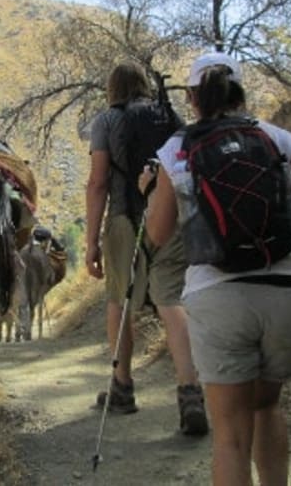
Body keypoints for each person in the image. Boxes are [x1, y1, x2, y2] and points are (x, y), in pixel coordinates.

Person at [145, 52, 291, 485]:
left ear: (193, 97)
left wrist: (151, 190)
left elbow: (157, 235)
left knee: (230, 435)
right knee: (267, 405)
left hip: (220, 295)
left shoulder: (176, 150)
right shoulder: (279, 139)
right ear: (241, 91)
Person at [84, 60, 208, 436]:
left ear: (112, 89)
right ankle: (190, 393)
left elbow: (98, 182)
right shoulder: (169, 117)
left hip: (125, 218)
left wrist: (91, 241)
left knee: (119, 302)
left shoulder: (106, 121)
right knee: (171, 301)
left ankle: (122, 387)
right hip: (169, 215)